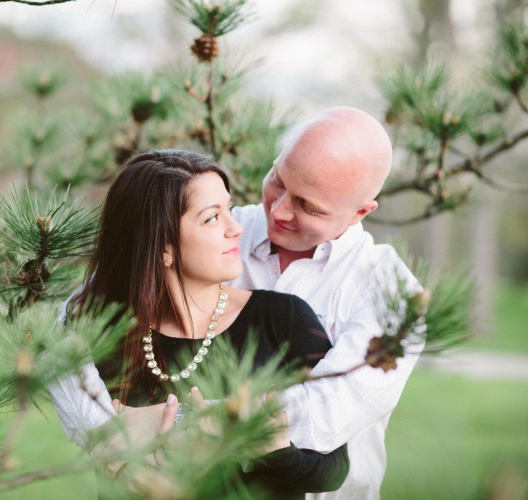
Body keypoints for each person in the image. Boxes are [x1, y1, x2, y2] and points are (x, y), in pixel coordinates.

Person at [51, 150, 350, 497]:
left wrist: (273, 450)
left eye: (229, 209)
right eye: (212, 218)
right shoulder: (103, 332)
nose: (236, 229)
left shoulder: (283, 320)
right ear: (163, 248)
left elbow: (333, 470)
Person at [228, 106, 422, 499]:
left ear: (359, 213)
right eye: (277, 180)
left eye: (307, 205)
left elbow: (325, 412)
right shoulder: (217, 229)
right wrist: (99, 429)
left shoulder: (390, 291)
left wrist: (173, 421)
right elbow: (80, 317)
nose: (279, 209)